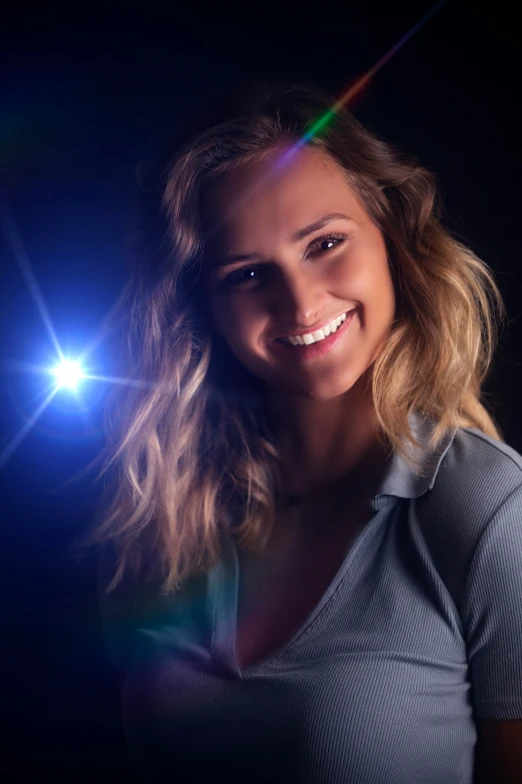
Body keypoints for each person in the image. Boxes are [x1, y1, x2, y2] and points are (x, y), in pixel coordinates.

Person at [76, 82, 522, 782]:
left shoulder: (490, 508)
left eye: (325, 243)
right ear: (204, 307)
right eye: (248, 273)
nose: (301, 301)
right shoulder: (158, 512)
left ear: (392, 238)